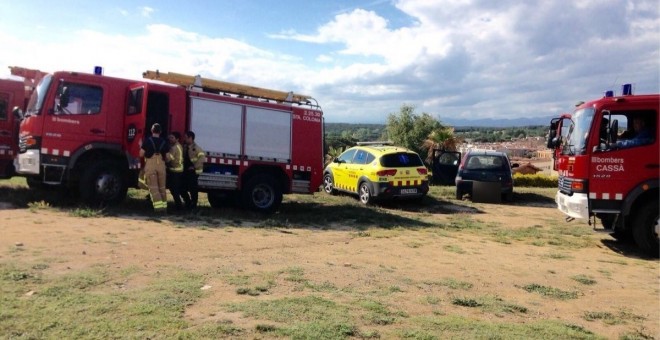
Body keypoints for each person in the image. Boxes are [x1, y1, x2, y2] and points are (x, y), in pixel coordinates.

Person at [140, 123, 170, 213]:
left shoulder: (147, 141)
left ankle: (158, 209)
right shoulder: (164, 142)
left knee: (154, 188)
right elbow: (168, 157)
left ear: (151, 131)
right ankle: (164, 208)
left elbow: (141, 154)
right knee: (162, 187)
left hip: (151, 164)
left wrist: (141, 146)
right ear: (160, 132)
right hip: (161, 164)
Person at [182, 130, 205, 210]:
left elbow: (202, 158)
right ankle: (188, 202)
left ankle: (193, 205)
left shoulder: (196, 148)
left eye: (186, 138)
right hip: (185, 171)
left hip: (193, 172)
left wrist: (194, 166)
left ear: (190, 138)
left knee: (193, 189)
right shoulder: (184, 147)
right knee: (182, 187)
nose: (184, 139)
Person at [165, 132, 185, 211]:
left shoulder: (173, 148)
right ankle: (180, 206)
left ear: (177, 139)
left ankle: (179, 207)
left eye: (172, 137)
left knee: (174, 190)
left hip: (175, 171)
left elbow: (168, 159)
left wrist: (165, 152)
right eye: (170, 137)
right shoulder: (179, 146)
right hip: (178, 171)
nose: (170, 139)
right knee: (176, 189)